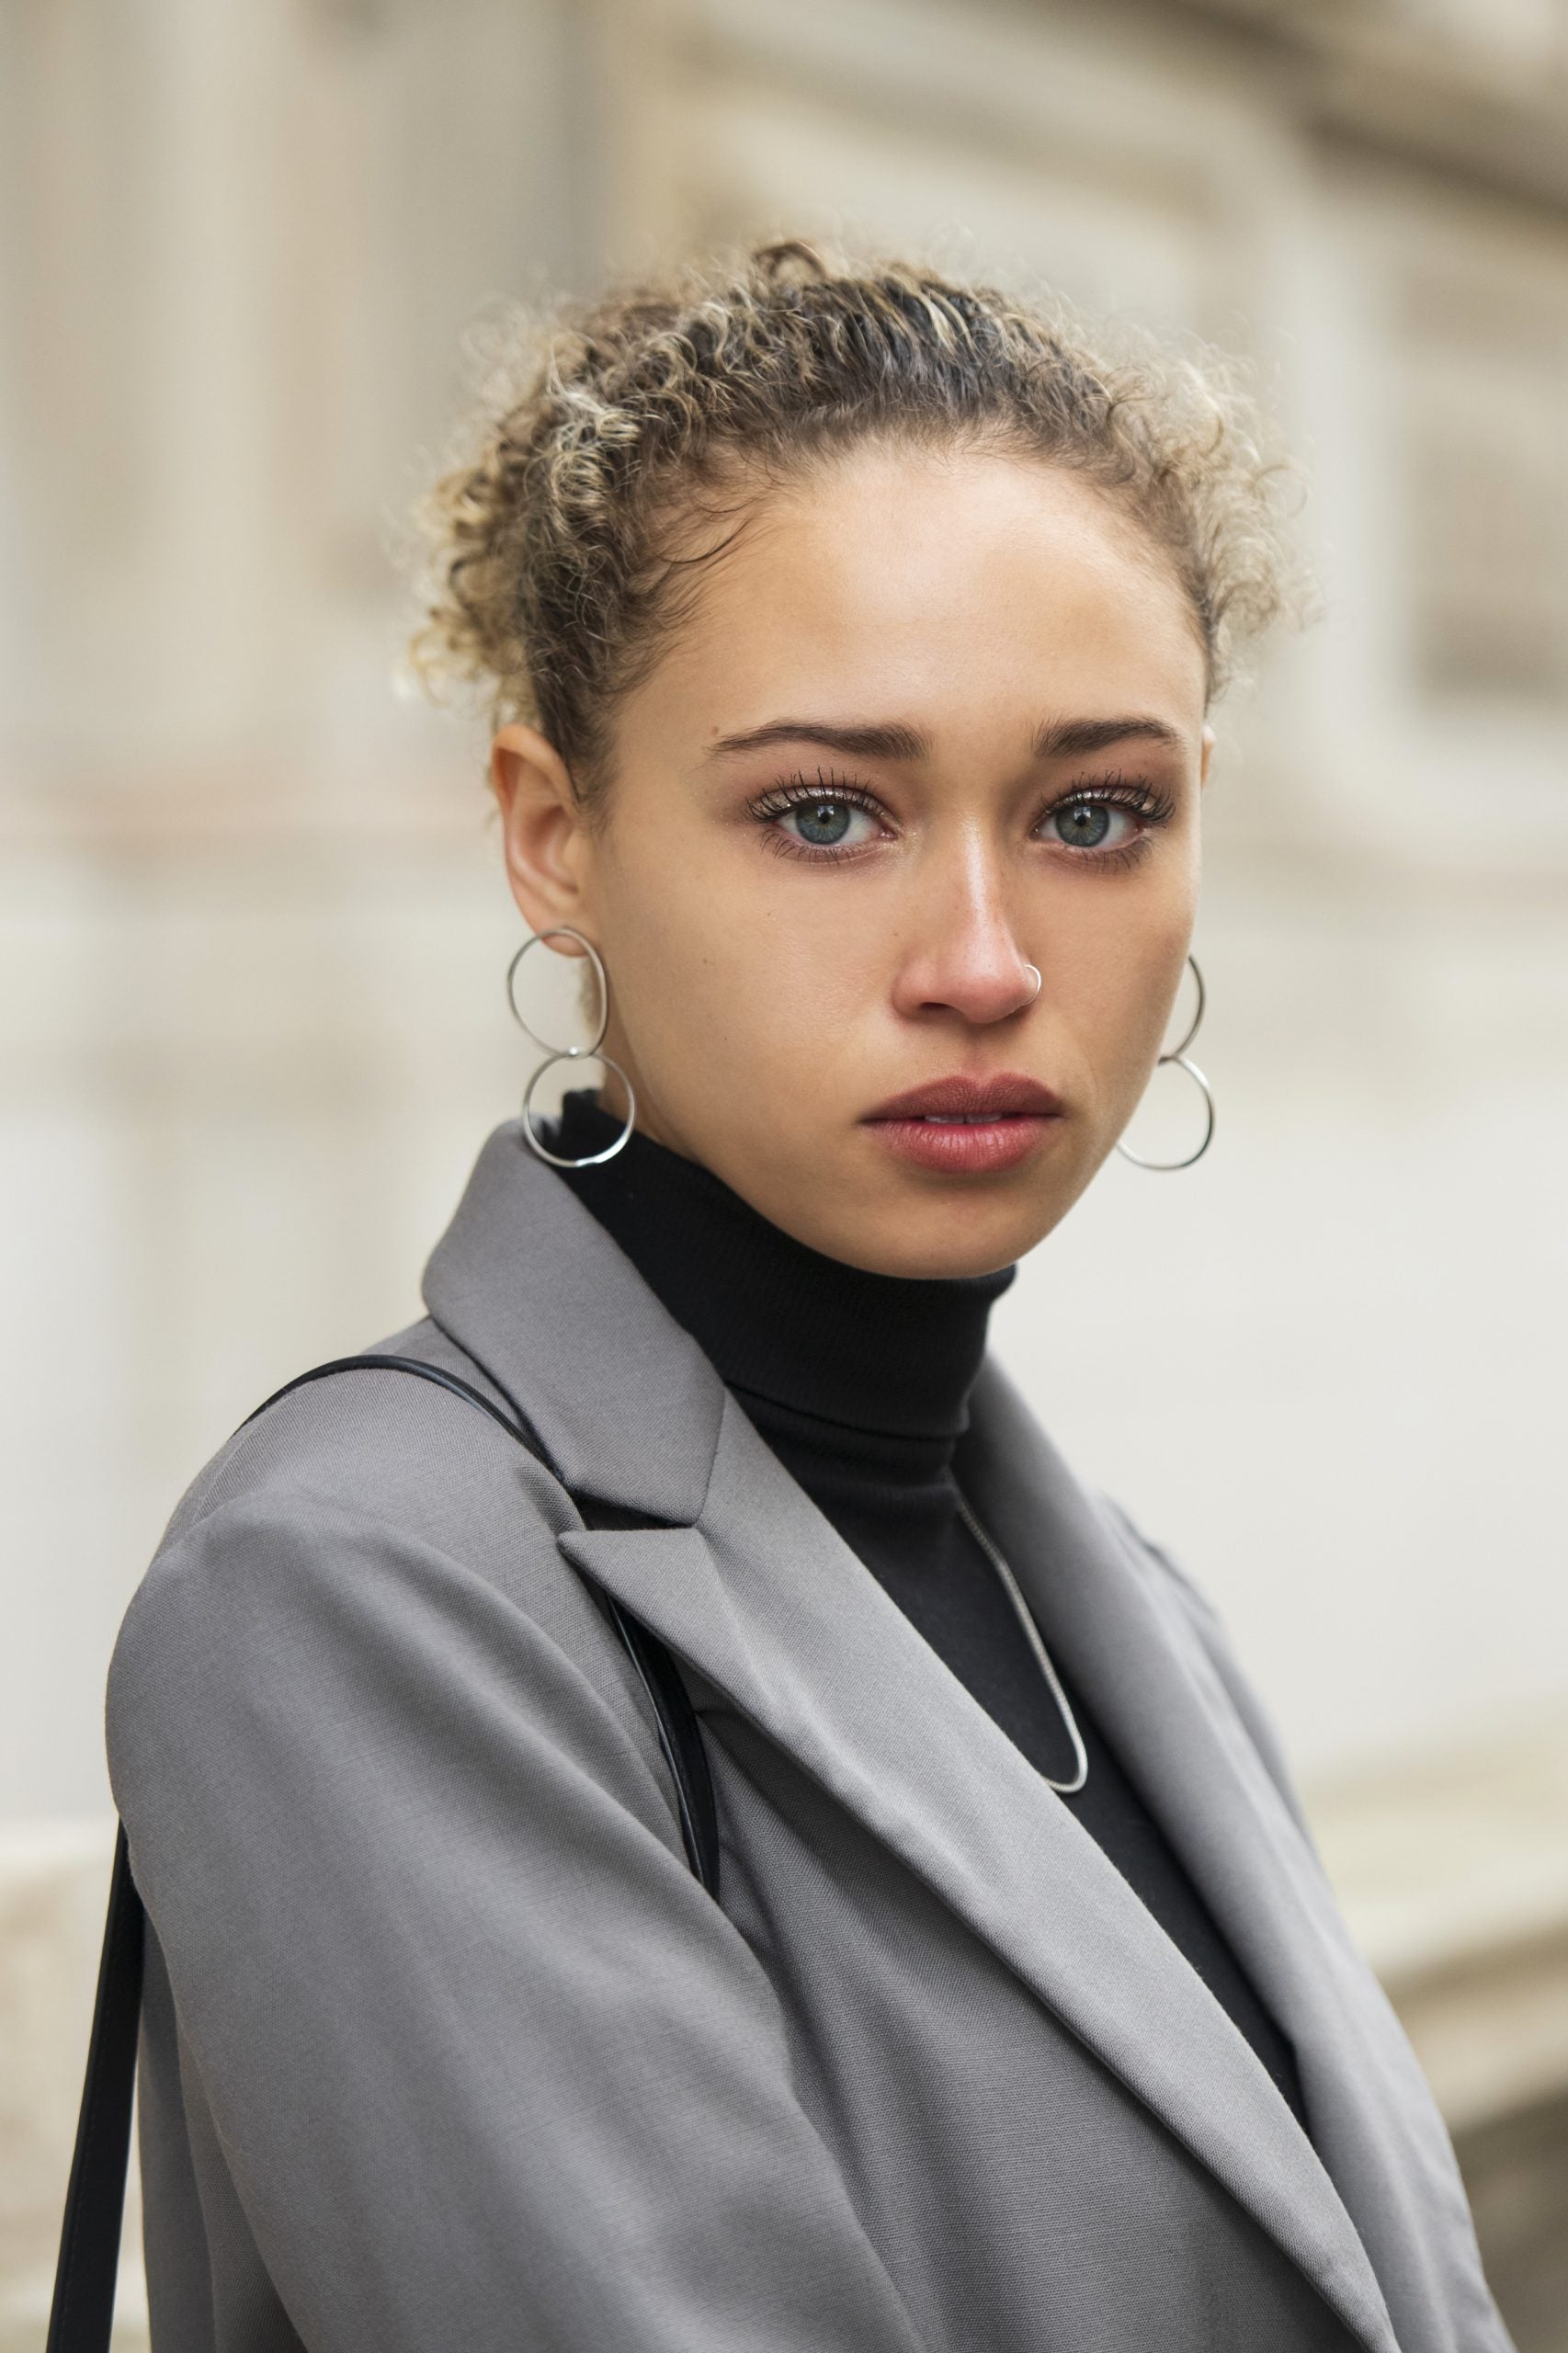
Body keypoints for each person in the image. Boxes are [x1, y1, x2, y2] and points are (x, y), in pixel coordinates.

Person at [107, 244, 1511, 2352]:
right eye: (827, 813)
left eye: (1095, 812)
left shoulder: (1122, 1603)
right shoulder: (354, 1586)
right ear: (553, 835)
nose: (982, 960)